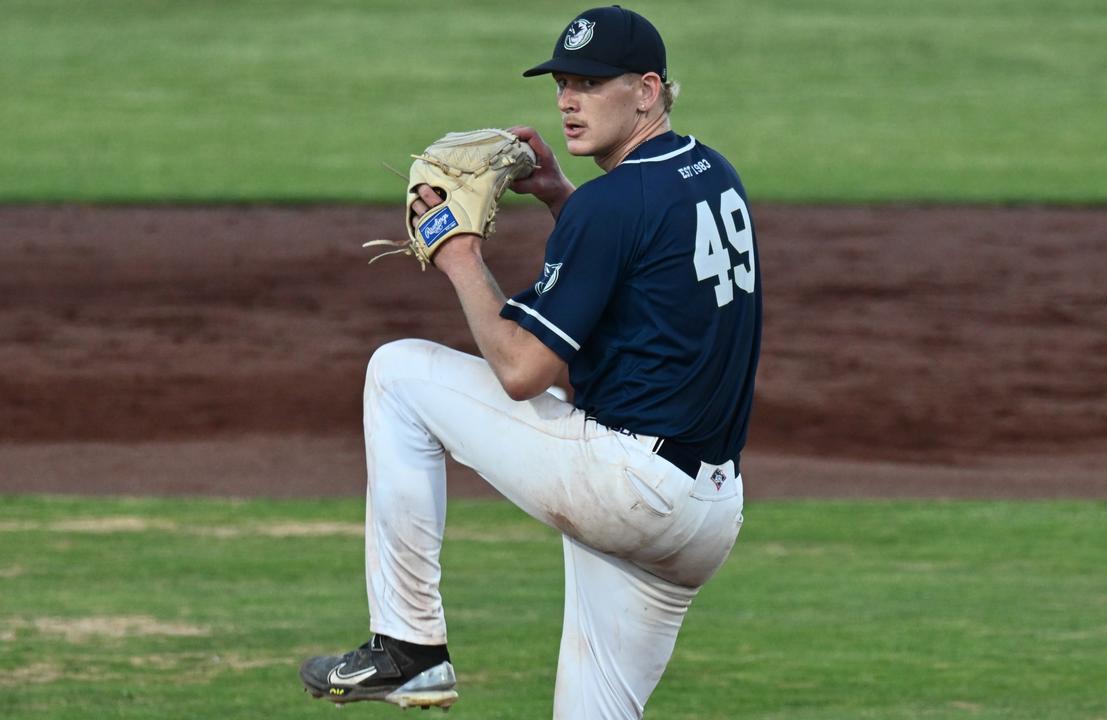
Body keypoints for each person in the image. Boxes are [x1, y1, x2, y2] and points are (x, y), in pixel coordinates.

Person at [299, 6, 762, 718]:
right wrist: (557, 197)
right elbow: (638, 265)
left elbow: (522, 372)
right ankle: (409, 652)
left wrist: (458, 254)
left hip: (629, 488)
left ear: (645, 91)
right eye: (563, 82)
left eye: (590, 83)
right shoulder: (710, 173)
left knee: (396, 375)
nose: (567, 100)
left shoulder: (611, 207)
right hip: (706, 514)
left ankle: (408, 648)